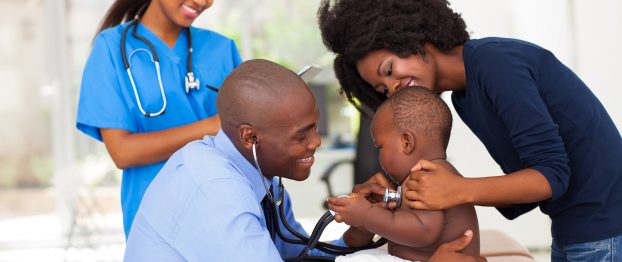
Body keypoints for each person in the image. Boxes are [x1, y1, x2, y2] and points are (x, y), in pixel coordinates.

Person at [317, 0, 622, 261]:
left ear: (409, 38)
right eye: (382, 89)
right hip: (576, 224)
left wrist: (456, 189)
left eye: (389, 70)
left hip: (604, 224)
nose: (393, 88)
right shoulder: (465, 97)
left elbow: (551, 176)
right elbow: (525, 191)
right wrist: (405, 198)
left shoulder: (495, 64)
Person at [124, 59, 378, 261]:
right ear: (250, 137)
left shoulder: (262, 176)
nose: (316, 142)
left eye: (314, 127)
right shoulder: (215, 191)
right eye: (301, 136)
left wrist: (356, 236)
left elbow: (298, 254)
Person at [76, 0, 242, 237]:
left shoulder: (222, 49)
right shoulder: (111, 48)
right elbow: (122, 152)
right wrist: (211, 127)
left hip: (223, 206)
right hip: (155, 216)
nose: (202, 2)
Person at [327, 87, 479, 261]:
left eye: (380, 147)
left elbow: (424, 231)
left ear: (406, 143)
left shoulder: (427, 177)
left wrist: (367, 215)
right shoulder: (434, 173)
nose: (379, 157)